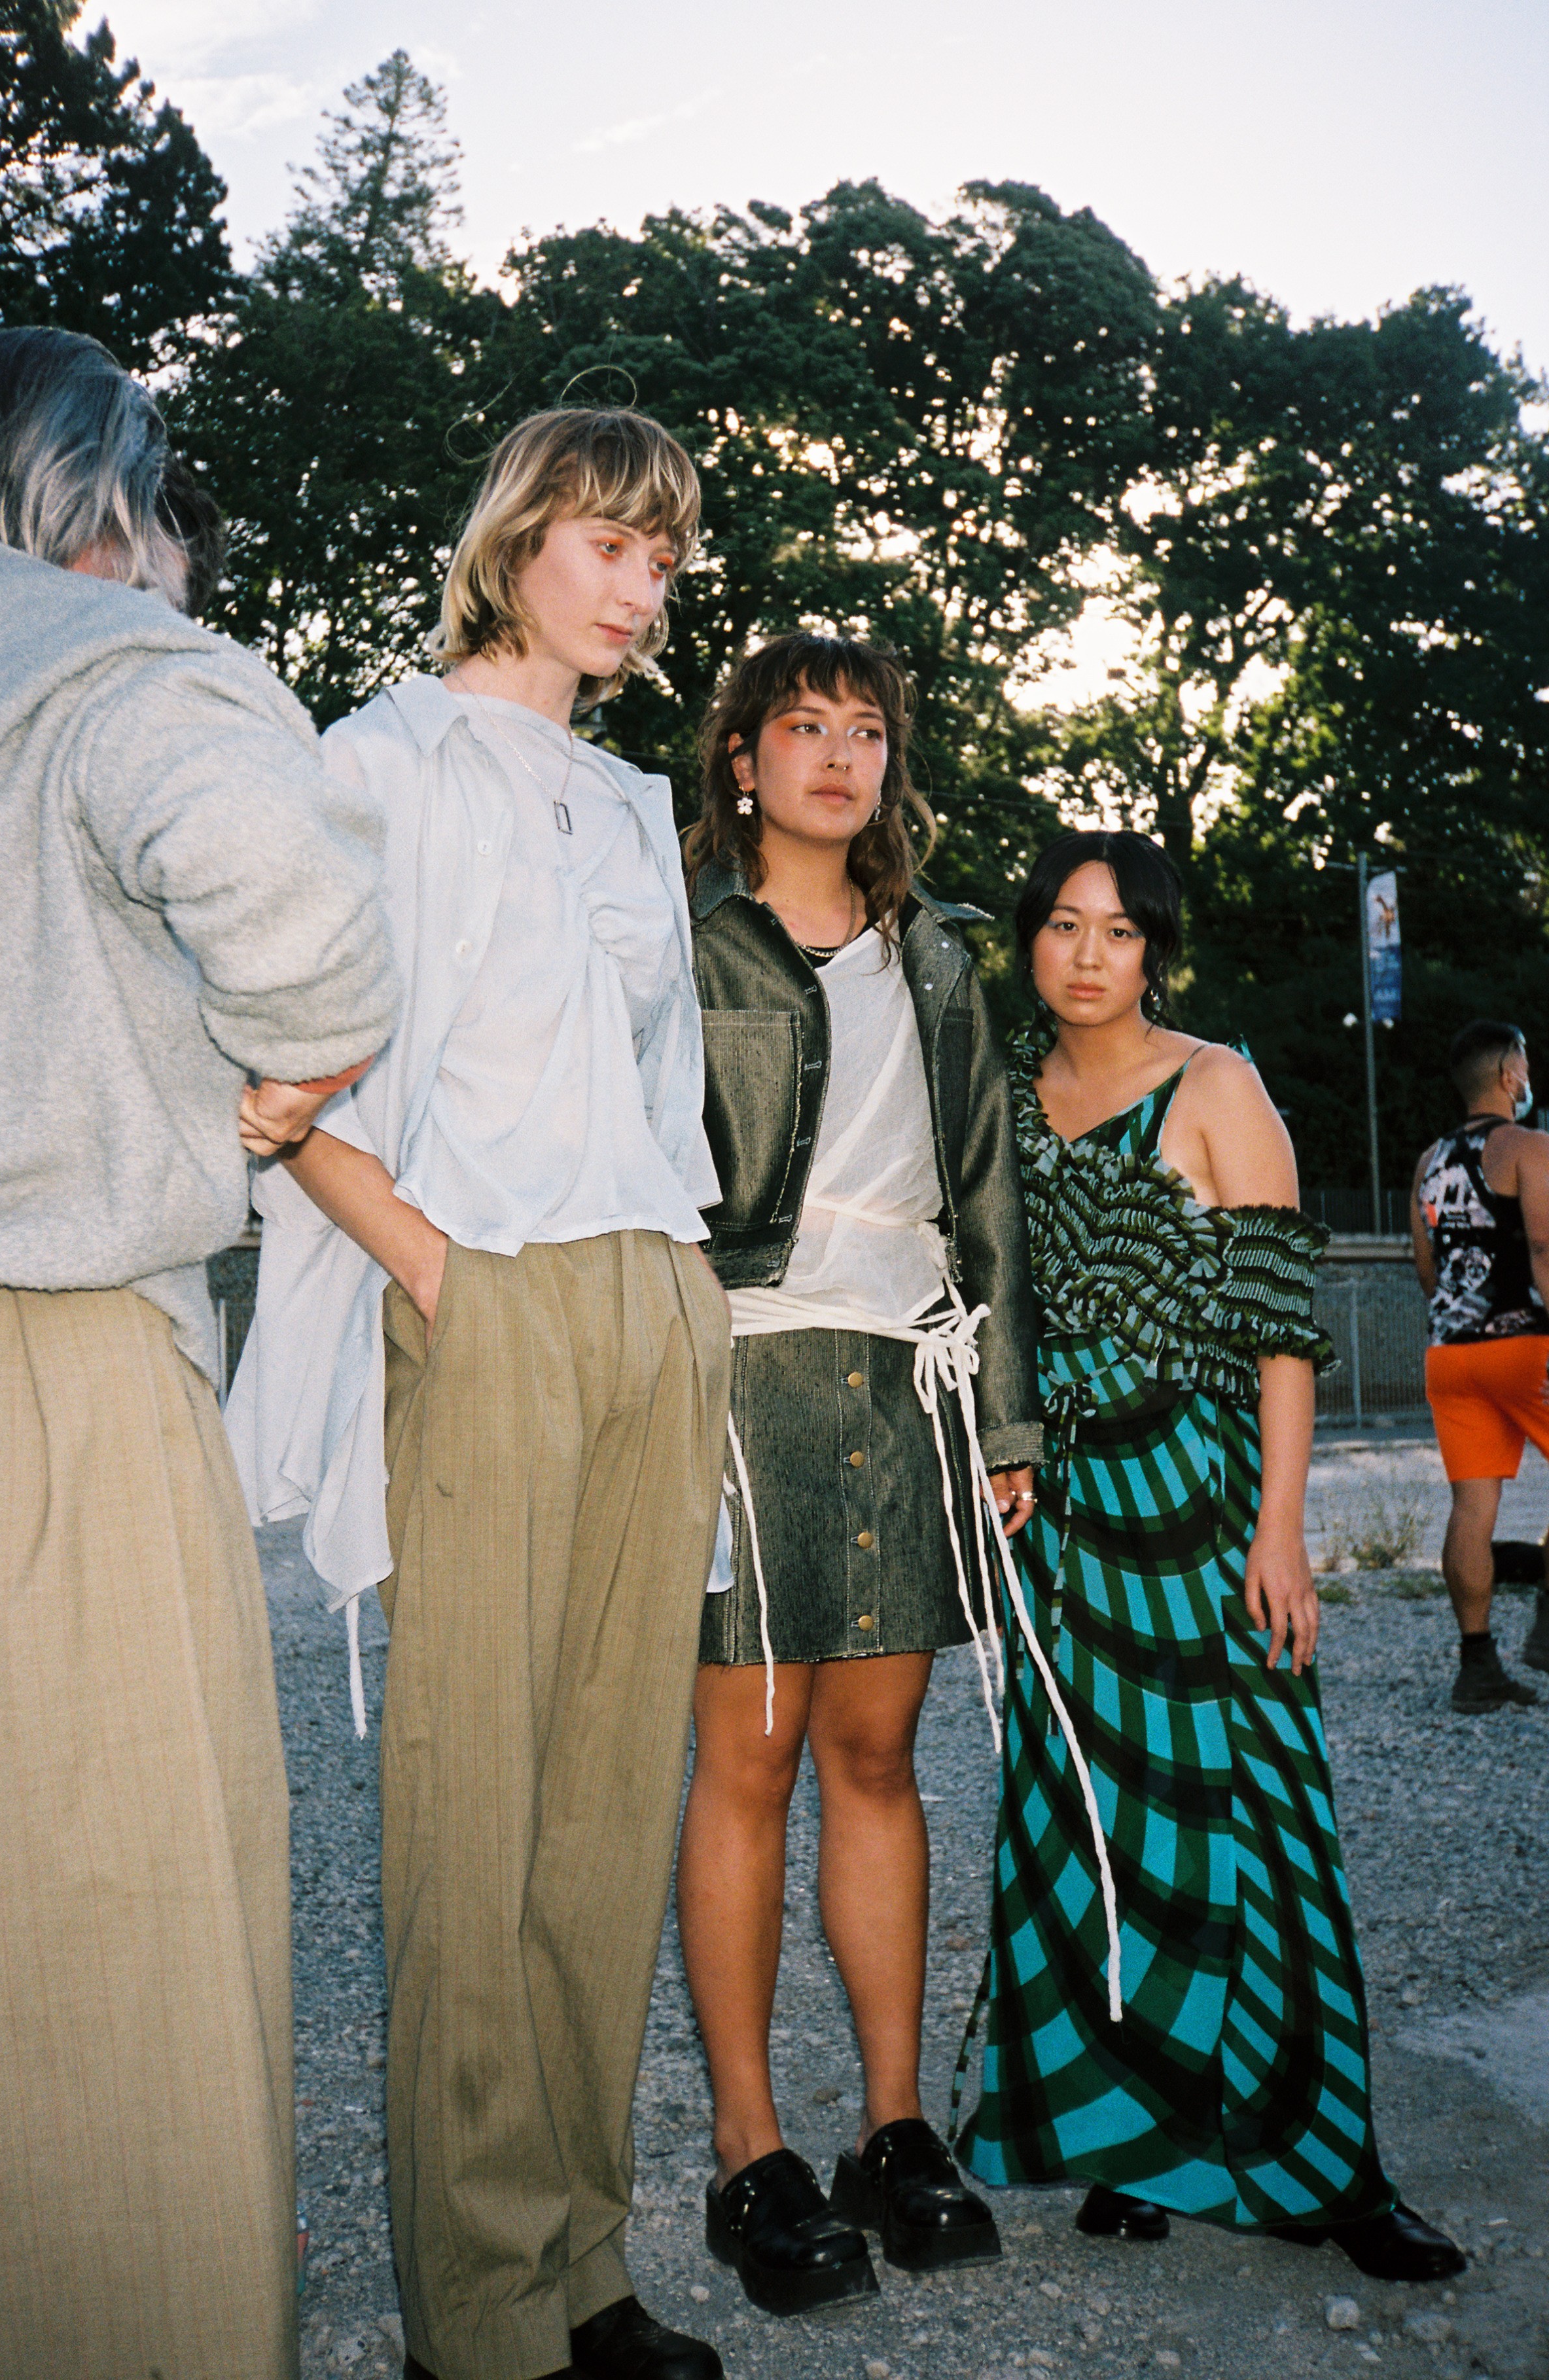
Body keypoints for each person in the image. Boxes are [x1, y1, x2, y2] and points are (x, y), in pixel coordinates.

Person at [226, 408, 732, 2380]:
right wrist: (426, 1261)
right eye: (610, 543)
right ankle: (478, 2315)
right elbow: (264, 1061)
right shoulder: (378, 759)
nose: (638, 586)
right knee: (472, 1819)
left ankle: (583, 2263)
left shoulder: (620, 803)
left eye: (665, 561)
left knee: (609, 1813)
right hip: (484, 1295)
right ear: (517, 537)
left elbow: (655, 1078)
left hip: (648, 1292)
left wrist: (682, 1278)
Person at [0, 325, 399, 2379]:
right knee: (115, 1967)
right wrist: (282, 1072)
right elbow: (305, 921)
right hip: (45, 1378)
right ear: (100, 496)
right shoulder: (107, 658)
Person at [957, 830, 1465, 2286]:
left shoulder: (1215, 1081)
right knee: (1085, 1815)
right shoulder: (1003, 1093)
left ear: (1154, 949)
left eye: (1115, 932)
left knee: (1250, 1810)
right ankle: (1126, 2136)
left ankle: (1326, 2167)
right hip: (1061, 1513)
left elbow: (1280, 1329)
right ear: (1029, 941)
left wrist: (1281, 1529)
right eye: (1059, 927)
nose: (1085, 956)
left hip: (1203, 1490)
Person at [673, 633, 1044, 2315]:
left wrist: (1008, 1420)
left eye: (866, 730)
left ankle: (895, 2127)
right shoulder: (675, 941)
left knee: (876, 1750)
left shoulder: (940, 959)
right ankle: (751, 2149)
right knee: (746, 1757)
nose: (836, 754)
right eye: (802, 727)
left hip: (910, 1375)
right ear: (741, 757)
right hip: (736, 1368)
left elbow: (989, 1202)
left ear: (891, 762)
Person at [1412, 1020, 1549, 1709]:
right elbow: (1547, 1249)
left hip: (1450, 1354)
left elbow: (1426, 1267)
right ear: (1507, 1076)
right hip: (1525, 1346)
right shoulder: (1528, 1146)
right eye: (1524, 1067)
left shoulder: (1429, 1161)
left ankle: (1477, 1666)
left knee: (1472, 1505)